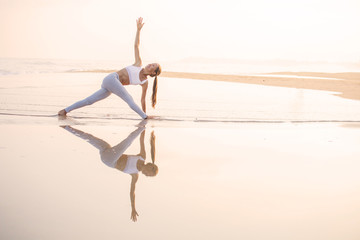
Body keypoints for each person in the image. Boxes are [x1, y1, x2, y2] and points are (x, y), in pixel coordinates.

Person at [58, 17, 161, 119]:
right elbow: (136, 46)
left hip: (110, 87)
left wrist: (144, 111)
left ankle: (65, 111)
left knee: (89, 101)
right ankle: (144, 117)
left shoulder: (144, 82)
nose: (150, 64)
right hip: (112, 78)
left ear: (153, 74)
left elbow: (143, 99)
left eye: (153, 66)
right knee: (128, 98)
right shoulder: (138, 64)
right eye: (152, 63)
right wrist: (138, 30)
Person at [61, 123, 158, 222]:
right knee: (89, 138)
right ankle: (66, 127)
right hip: (108, 151)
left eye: (148, 176)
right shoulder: (142, 157)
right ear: (150, 166)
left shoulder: (135, 175)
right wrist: (145, 134)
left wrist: (133, 208)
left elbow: (132, 192)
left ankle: (142, 124)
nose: (146, 175)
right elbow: (141, 139)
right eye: (149, 174)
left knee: (127, 143)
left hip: (110, 160)